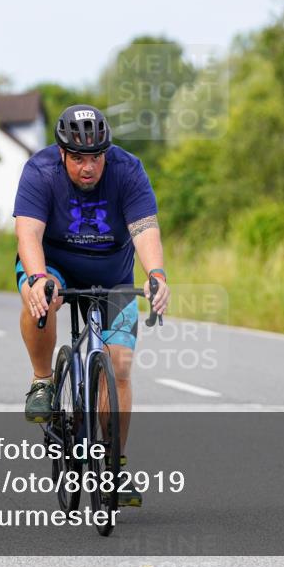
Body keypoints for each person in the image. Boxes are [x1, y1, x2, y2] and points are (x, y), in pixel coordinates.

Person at [13, 104, 170, 508]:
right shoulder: (40, 170)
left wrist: (156, 274)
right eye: (79, 158)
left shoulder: (128, 169)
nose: (88, 167)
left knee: (119, 364)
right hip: (53, 266)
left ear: (107, 152)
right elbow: (28, 233)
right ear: (62, 153)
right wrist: (36, 278)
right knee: (44, 298)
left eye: (96, 157)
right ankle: (43, 380)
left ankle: (114, 467)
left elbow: (144, 228)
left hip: (113, 272)